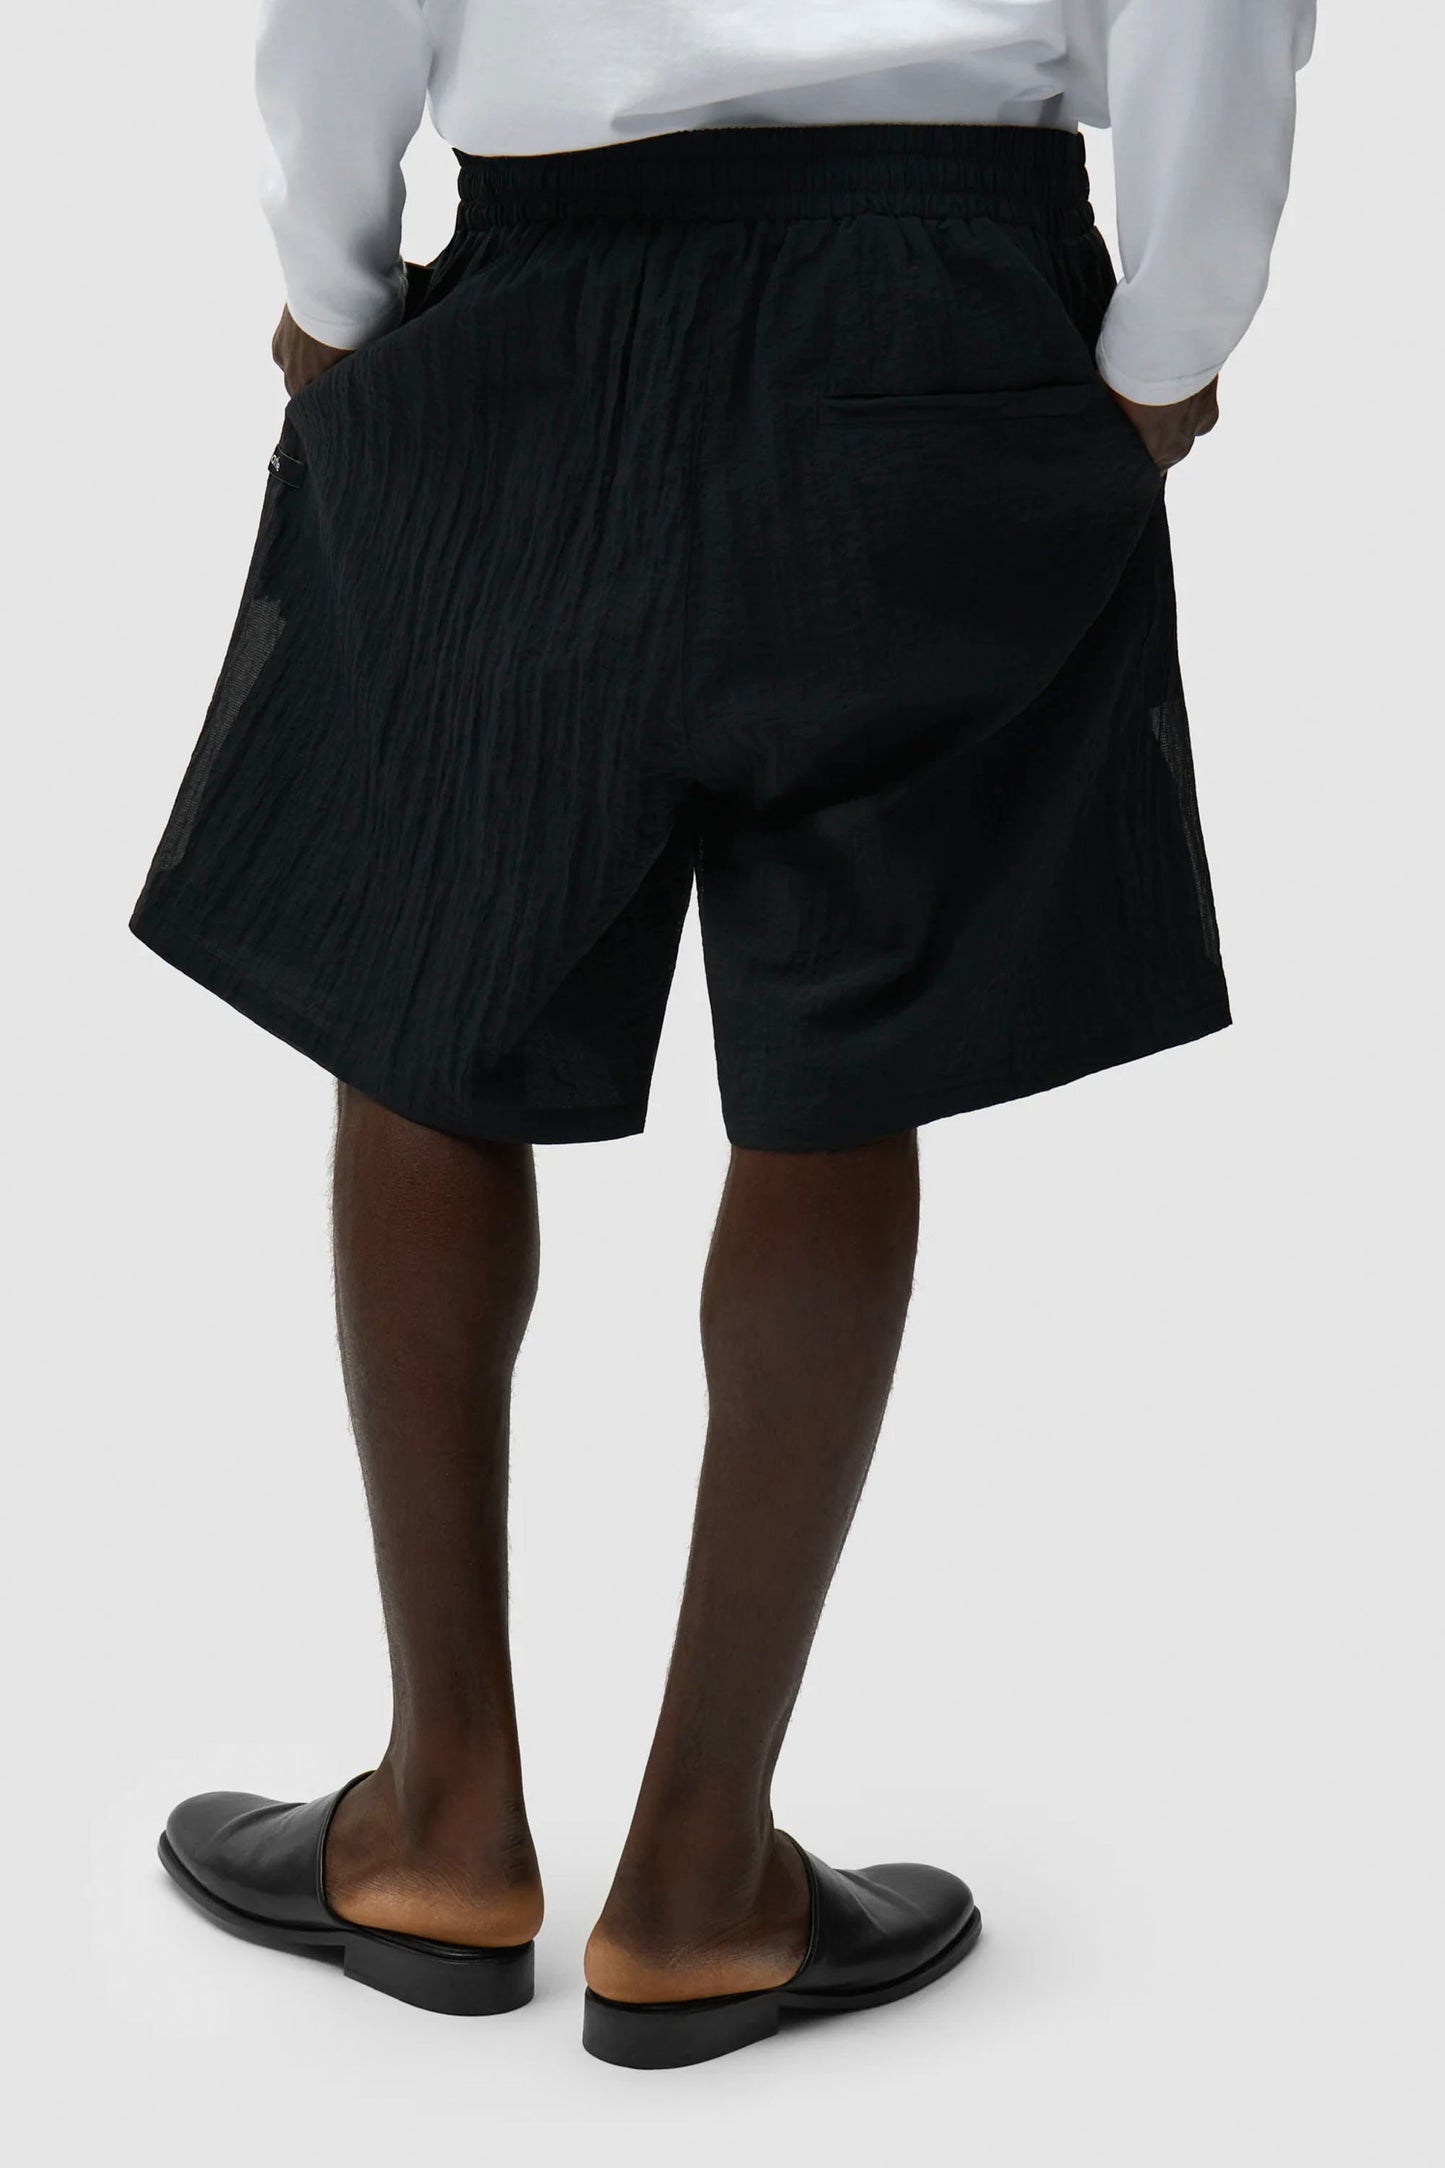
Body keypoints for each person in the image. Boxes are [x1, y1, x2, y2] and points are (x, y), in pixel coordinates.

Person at [130, 1, 1315, 2069]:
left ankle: (439, 1828)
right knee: (846, 1040)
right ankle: (698, 1882)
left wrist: (334, 286)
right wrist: (1165, 346)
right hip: (944, 299)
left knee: (428, 1001)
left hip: (546, 285)